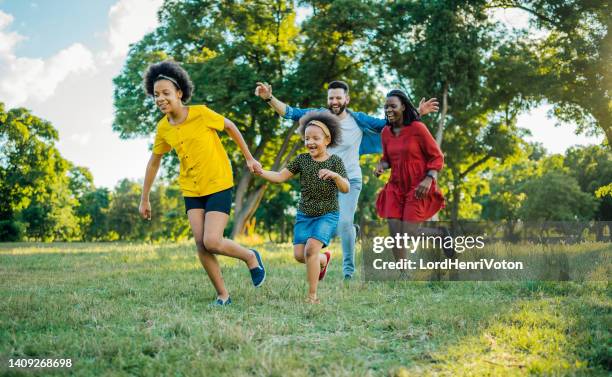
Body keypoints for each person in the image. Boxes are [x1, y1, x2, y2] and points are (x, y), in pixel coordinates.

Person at [254, 80, 438, 279]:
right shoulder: (318, 116)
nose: (334, 101)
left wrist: (417, 112)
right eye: (331, 98)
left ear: (346, 99)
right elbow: (290, 112)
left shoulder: (358, 120)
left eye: (338, 98)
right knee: (319, 237)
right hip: (322, 182)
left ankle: (348, 271)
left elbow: (392, 122)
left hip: (350, 179)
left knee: (343, 223)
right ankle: (336, 245)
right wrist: (269, 98)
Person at [138, 60, 266, 306]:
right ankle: (223, 295)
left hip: (218, 182)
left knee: (212, 240)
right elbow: (154, 162)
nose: (160, 98)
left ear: (179, 93)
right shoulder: (163, 128)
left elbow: (230, 127)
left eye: (165, 93)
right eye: (156, 95)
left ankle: (250, 257)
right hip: (191, 188)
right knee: (200, 243)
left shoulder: (201, 113)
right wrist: (145, 197)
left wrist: (249, 158)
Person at [256, 112, 349, 303]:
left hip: (327, 214)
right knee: (300, 255)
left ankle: (312, 296)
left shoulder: (335, 162)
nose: (310, 142)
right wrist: (261, 171)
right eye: (307, 138)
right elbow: (280, 177)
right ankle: (323, 260)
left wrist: (336, 176)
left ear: (327, 140)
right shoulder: (302, 160)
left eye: (316, 138)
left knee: (310, 250)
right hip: (305, 215)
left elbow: (346, 188)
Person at [374, 89, 453, 264]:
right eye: (386, 107)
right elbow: (388, 159)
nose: (388, 110)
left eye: (393, 106)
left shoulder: (418, 128)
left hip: (418, 185)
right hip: (395, 186)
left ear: (403, 106)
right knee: (395, 232)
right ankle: (403, 274)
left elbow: (437, 156)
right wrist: (381, 166)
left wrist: (429, 178)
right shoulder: (385, 132)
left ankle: (440, 234)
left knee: (408, 232)